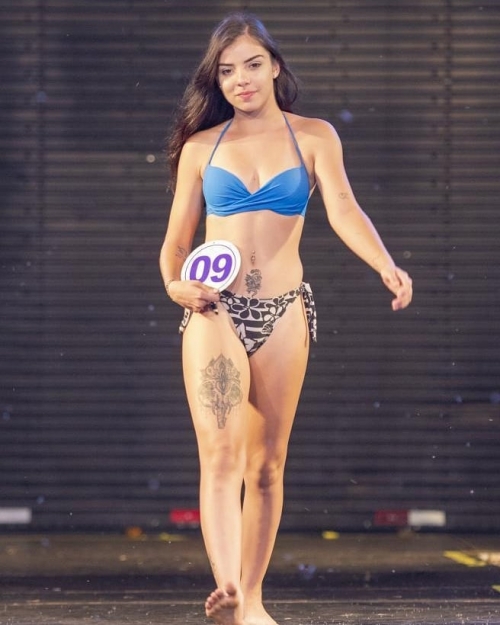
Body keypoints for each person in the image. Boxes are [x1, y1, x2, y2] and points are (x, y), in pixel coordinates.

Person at [159, 11, 413, 625]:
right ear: (217, 80)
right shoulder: (201, 147)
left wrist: (385, 263)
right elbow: (176, 242)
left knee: (267, 467)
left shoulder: (314, 137)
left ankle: (253, 600)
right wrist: (174, 285)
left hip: (285, 311)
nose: (241, 79)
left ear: (274, 66)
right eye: (227, 71)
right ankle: (228, 590)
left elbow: (345, 209)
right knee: (220, 455)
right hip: (214, 309)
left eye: (252, 65)